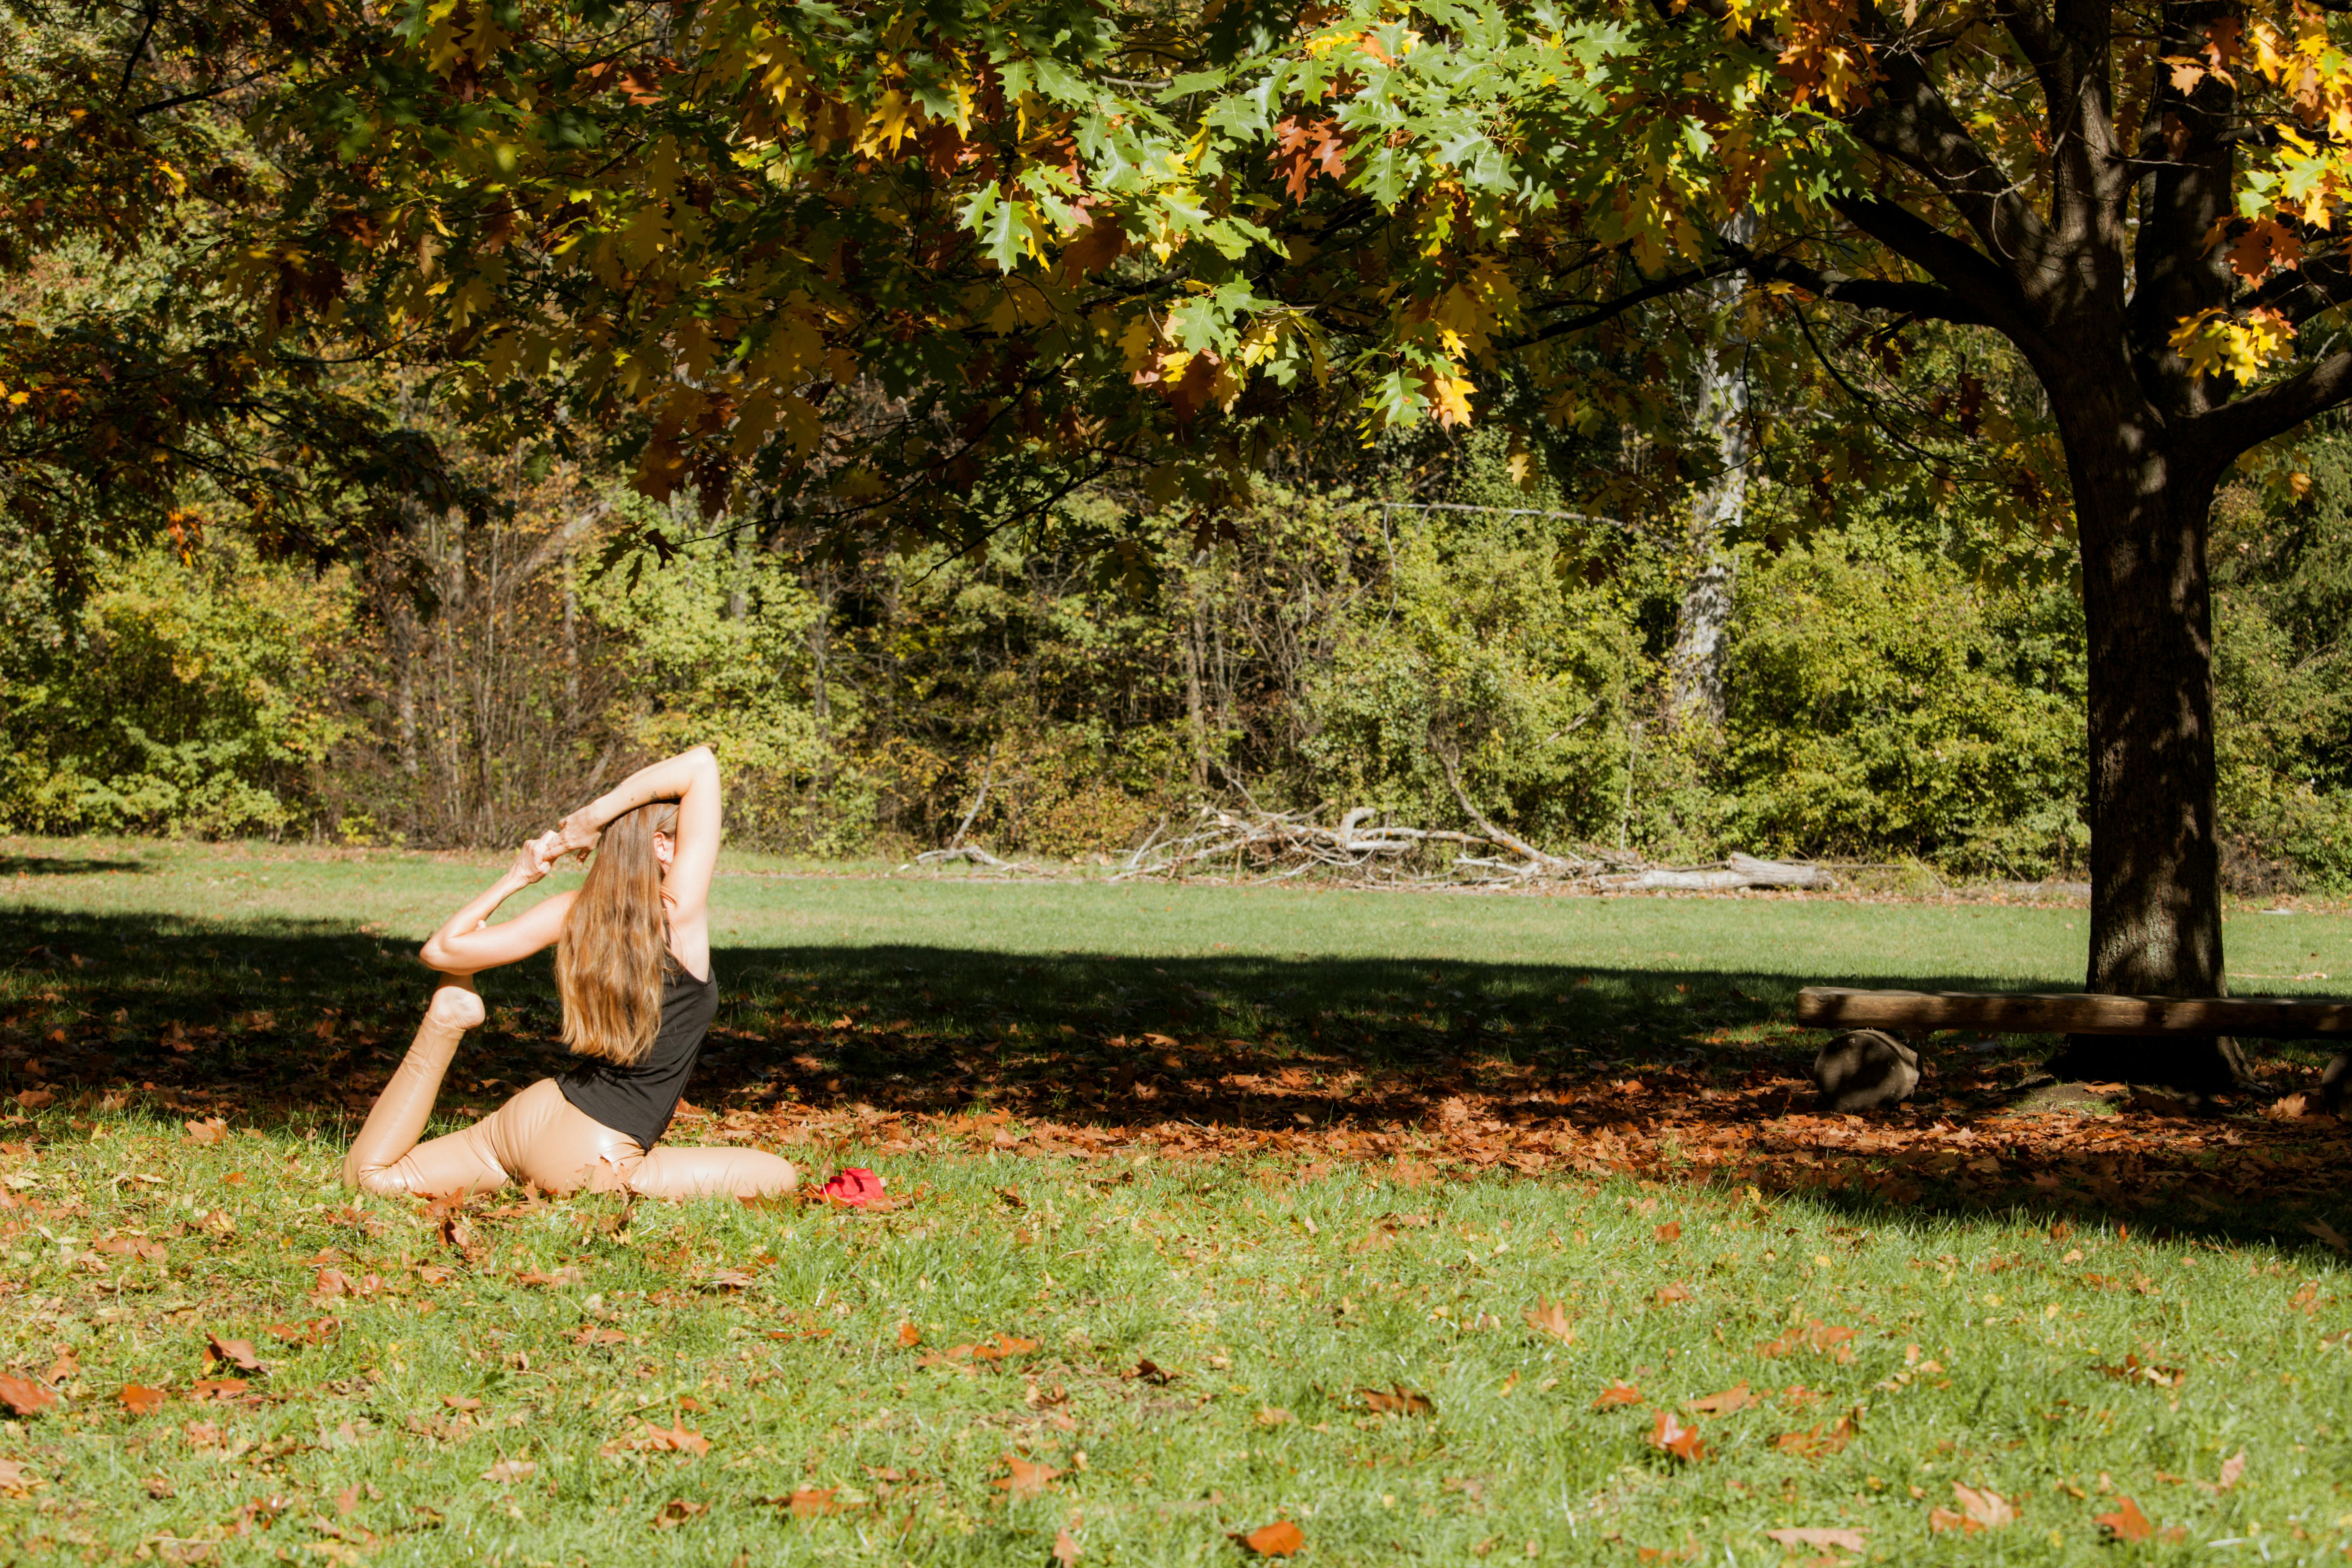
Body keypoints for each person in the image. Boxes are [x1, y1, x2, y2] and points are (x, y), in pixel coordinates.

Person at [341, 745, 798, 1199]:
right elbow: (701, 764)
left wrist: (517, 877)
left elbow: (442, 952)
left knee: (371, 1179)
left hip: (528, 1119)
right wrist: (590, 819)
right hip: (593, 1157)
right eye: (690, 836)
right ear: (662, 847)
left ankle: (445, 1021)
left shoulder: (573, 913)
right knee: (779, 1176)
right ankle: (616, 1173)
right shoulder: (676, 915)